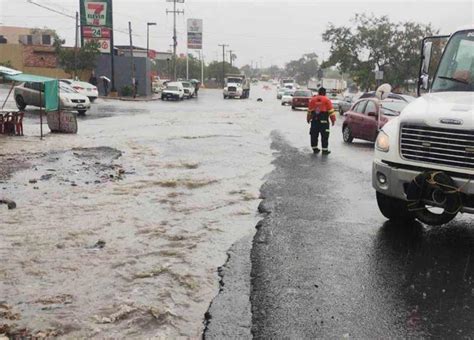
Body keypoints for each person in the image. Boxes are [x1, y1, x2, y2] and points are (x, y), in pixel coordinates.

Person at [307, 87, 336, 155]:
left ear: (318, 92)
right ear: (324, 93)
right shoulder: (326, 100)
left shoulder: (313, 100)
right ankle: (324, 150)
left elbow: (309, 111)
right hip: (324, 121)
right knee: (325, 136)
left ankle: (315, 148)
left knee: (314, 134)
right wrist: (333, 120)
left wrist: (308, 119)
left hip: (315, 121)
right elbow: (331, 111)